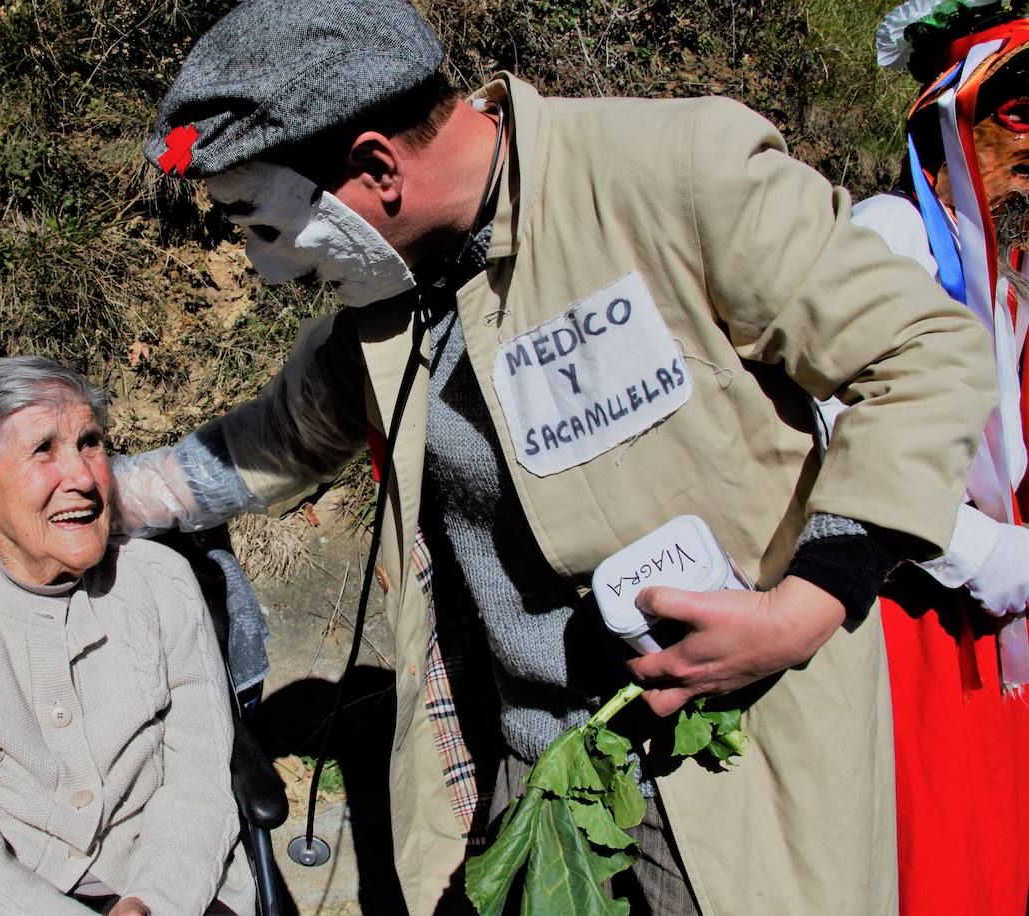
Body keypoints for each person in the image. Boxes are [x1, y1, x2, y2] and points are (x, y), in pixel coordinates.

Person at [113, 2, 998, 913]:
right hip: (529, 773)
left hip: (729, 768)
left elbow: (924, 356)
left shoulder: (674, 174)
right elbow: (276, 440)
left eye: (265, 227)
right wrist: (99, 497)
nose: (269, 271)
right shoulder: (384, 298)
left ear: (378, 169)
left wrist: (810, 603)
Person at [0, 356, 255, 916]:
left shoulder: (162, 583)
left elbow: (199, 785)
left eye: (90, 443)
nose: (84, 478)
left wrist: (153, 901)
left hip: (156, 879)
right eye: (43, 451)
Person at [815, 3, 1027, 913]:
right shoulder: (891, 239)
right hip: (918, 633)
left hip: (998, 640)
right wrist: (981, 556)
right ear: (948, 119)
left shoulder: (1003, 269)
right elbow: (824, 426)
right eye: (1018, 118)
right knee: (942, 868)